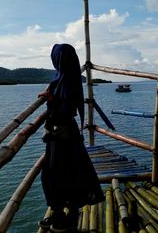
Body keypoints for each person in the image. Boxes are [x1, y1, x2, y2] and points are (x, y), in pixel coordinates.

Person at [38, 44, 104, 232]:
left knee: (53, 175)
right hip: (68, 136)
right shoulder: (66, 76)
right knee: (71, 172)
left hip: (62, 137)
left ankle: (60, 217)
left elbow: (65, 112)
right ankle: (71, 214)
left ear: (58, 60)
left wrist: (50, 100)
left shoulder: (65, 81)